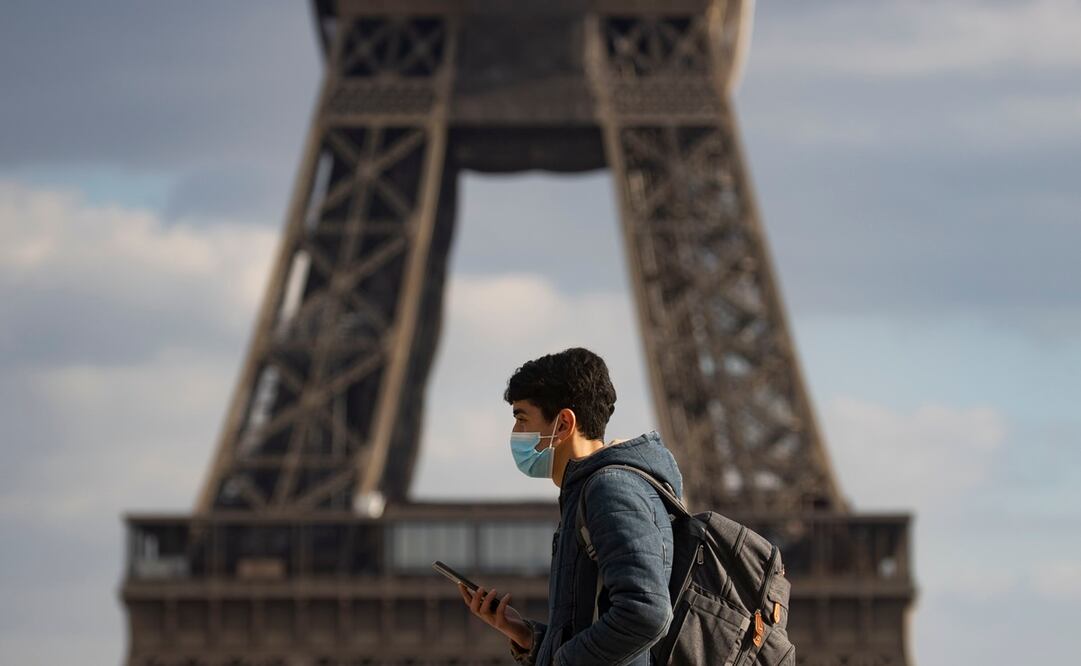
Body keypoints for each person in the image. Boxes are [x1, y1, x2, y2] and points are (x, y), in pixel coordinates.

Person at [458, 347, 684, 665]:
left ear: (563, 424)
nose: (515, 434)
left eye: (522, 419)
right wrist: (525, 634)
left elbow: (646, 613)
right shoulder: (590, 491)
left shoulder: (610, 489)